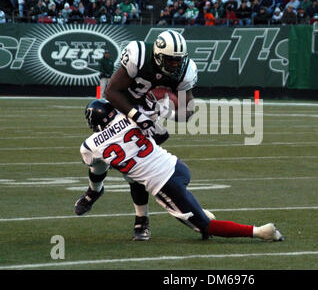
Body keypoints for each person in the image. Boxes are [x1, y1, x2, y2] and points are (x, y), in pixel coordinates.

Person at [75, 99, 284, 242]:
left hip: (164, 184)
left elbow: (98, 165)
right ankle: (142, 217)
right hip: (177, 167)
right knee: (132, 174)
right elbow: (161, 135)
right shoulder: (130, 117)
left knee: (204, 227)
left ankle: (260, 232)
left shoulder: (90, 145)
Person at [105, 30, 198, 241]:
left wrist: (169, 112)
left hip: (150, 117)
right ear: (157, 55)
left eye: (178, 61)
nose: (175, 66)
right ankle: (94, 190)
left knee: (137, 169)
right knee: (103, 153)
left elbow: (188, 112)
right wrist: (136, 115)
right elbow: (111, 92)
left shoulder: (186, 71)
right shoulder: (138, 54)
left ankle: (141, 220)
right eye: (170, 61)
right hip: (124, 108)